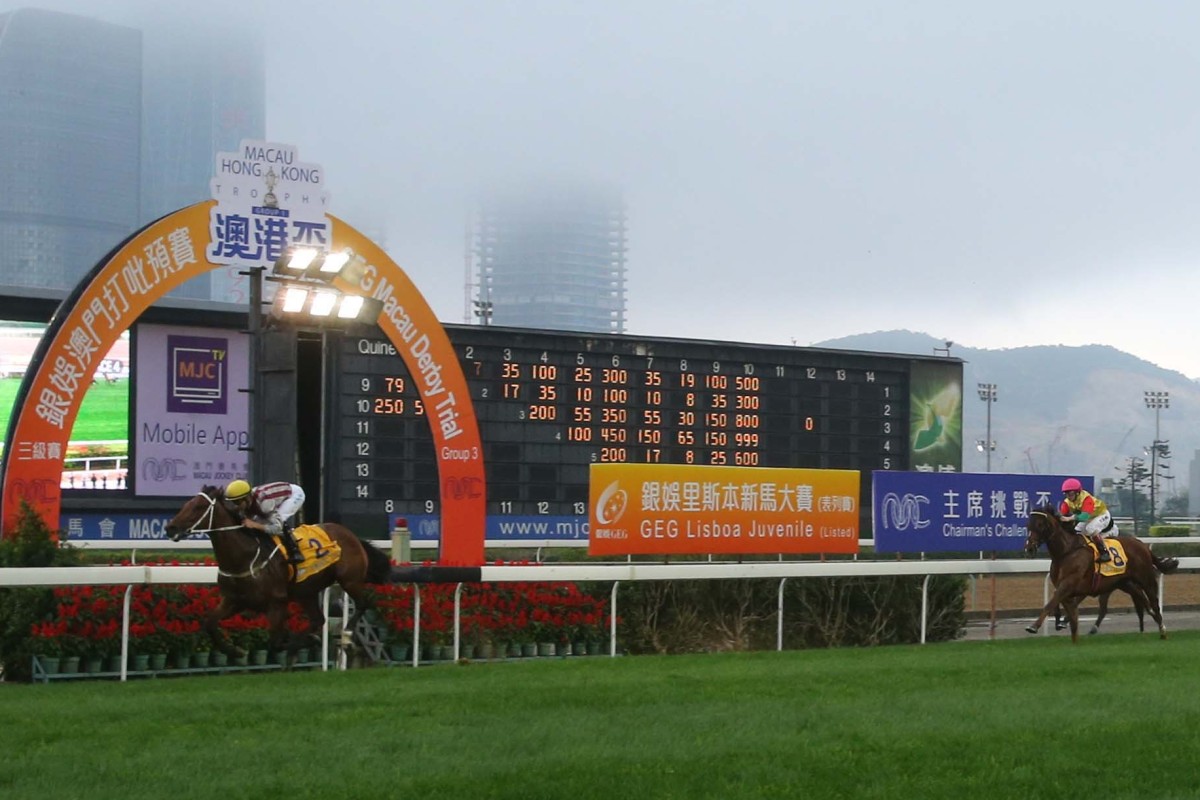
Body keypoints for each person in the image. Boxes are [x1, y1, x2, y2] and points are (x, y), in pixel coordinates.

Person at [225, 479, 306, 565]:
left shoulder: (265, 504)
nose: (235, 506)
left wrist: (255, 525)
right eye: (233, 502)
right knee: (260, 522)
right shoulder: (250, 501)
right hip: (277, 495)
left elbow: (277, 528)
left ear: (247, 498)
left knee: (280, 518)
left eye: (237, 502)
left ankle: (295, 551)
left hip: (294, 495)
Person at [1059, 477, 1114, 563]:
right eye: (1066, 494)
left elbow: (1084, 517)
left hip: (1101, 514)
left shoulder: (1087, 499)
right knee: (1077, 530)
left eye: (1071, 493)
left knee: (1090, 529)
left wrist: (1070, 518)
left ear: (1077, 492)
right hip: (1090, 517)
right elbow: (1061, 515)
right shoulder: (1066, 502)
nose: (1068, 496)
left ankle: (1104, 553)